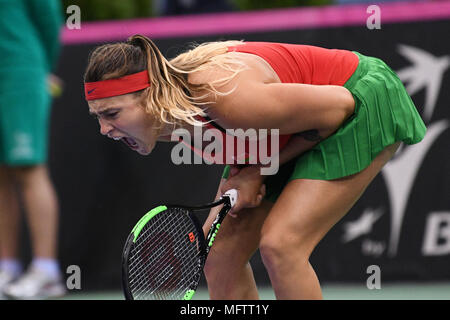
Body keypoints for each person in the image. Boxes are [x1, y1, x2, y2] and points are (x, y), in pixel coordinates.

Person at [83, 35, 426, 299]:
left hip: (359, 102)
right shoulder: (166, 122)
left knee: (281, 245)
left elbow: (339, 109)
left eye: (112, 114)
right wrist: (243, 180)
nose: (104, 130)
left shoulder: (224, 98)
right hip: (287, 131)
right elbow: (244, 147)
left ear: (152, 97)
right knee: (219, 256)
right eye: (98, 117)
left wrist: (258, 171)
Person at [0, 0, 65, 299]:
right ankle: (7, 268)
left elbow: (48, 19)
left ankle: (46, 271)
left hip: (20, 73)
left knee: (29, 168)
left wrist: (42, 68)